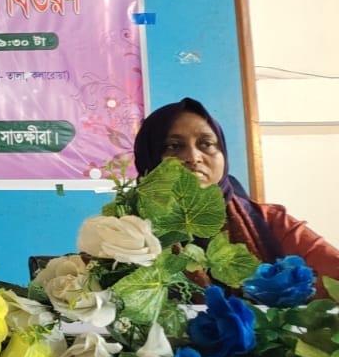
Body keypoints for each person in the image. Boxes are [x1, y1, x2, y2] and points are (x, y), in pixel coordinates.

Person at [133, 97, 339, 276]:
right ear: (148, 158)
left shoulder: (270, 223)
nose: (194, 157)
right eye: (174, 146)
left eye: (206, 144)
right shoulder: (124, 231)